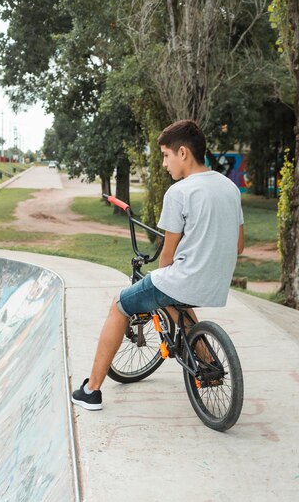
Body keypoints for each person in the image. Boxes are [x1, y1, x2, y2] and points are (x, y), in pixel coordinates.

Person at [72, 119, 245, 411]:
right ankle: (207, 364)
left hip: (182, 280)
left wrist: (166, 267)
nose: (164, 163)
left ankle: (92, 390)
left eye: (165, 155)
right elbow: (239, 246)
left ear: (182, 153)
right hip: (216, 283)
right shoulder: (230, 188)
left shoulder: (178, 193)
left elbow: (166, 257)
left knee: (120, 304)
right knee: (176, 301)